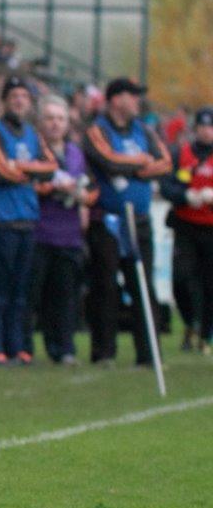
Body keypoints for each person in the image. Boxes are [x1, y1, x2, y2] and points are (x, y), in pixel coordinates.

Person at [83, 78, 171, 366]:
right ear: (116, 99)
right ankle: (104, 351)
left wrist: (135, 167)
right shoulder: (98, 129)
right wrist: (141, 162)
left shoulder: (144, 130)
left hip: (140, 219)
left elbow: (165, 163)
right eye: (132, 96)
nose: (136, 101)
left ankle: (149, 353)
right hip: (108, 220)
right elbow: (107, 161)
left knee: (143, 286)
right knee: (105, 285)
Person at [0, 76, 57, 365]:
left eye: (24, 96)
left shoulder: (34, 135)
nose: (19, 100)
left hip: (27, 219)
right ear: (5, 100)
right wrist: (31, 171)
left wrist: (21, 167)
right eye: (14, 95)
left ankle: (15, 346)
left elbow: (51, 168)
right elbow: (0, 171)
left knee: (20, 289)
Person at [29, 95, 97, 365]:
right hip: (39, 231)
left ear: (68, 123)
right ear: (40, 122)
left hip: (69, 235)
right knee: (33, 295)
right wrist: (54, 187)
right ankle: (24, 348)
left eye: (60, 119)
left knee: (66, 296)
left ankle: (64, 348)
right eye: (50, 118)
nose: (55, 124)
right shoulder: (33, 149)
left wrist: (82, 198)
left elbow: (92, 189)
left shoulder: (76, 153)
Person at [160, 107, 213, 355]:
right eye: (203, 126)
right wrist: (185, 195)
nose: (207, 131)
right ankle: (190, 320)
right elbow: (167, 185)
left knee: (209, 282)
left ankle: (205, 333)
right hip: (186, 226)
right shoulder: (181, 154)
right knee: (181, 279)